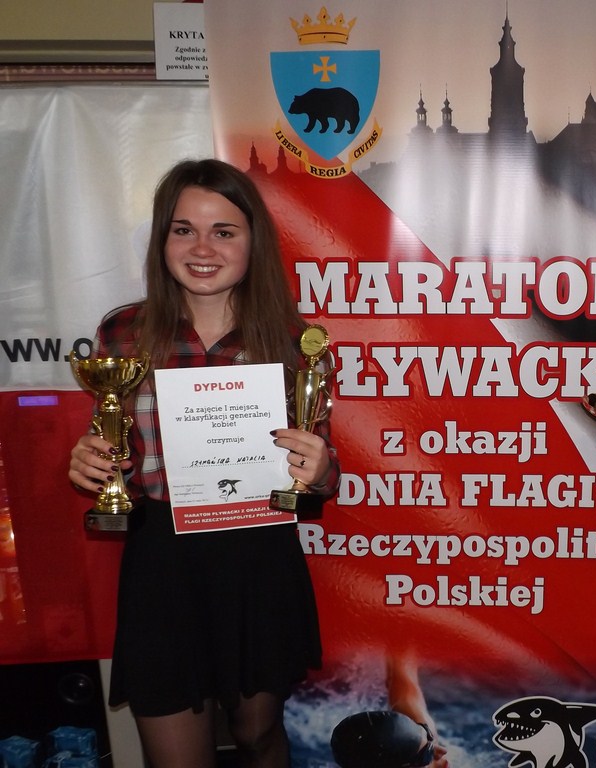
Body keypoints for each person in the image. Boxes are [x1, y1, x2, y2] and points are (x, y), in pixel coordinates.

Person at [68, 158, 340, 768]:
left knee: (258, 737)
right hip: (162, 566)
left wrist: (320, 470)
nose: (202, 248)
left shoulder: (298, 343)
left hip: (257, 562)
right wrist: (94, 464)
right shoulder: (124, 334)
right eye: (183, 229)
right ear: (162, 239)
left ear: (253, 242)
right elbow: (115, 450)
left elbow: (321, 474)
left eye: (224, 231)